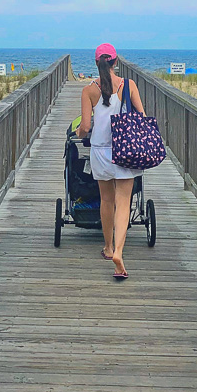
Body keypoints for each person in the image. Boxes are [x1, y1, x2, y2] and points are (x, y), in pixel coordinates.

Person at [77, 43, 145, 279]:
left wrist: (79, 133)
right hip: (126, 149)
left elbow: (85, 127)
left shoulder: (89, 90)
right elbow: (142, 117)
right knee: (123, 201)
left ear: (97, 63)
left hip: (101, 151)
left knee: (106, 199)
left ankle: (107, 247)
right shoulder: (129, 85)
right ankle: (119, 250)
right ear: (116, 62)